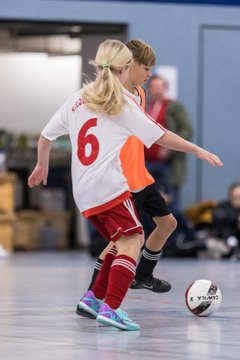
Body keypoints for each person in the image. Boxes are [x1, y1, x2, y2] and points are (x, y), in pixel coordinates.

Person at [28, 39, 223, 331]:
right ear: (125, 68)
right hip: (110, 186)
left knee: (121, 242)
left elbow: (45, 136)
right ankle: (112, 308)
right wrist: (197, 150)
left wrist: (41, 164)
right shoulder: (122, 103)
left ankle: (94, 299)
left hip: (83, 193)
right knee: (133, 240)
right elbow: (161, 136)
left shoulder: (78, 98)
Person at [77, 40, 176, 320]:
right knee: (120, 242)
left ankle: (142, 275)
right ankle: (92, 297)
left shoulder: (141, 95)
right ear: (128, 66)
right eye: (146, 68)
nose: (149, 74)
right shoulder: (111, 96)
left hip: (141, 175)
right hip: (122, 179)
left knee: (168, 223)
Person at [145, 75, 193, 211]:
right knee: (147, 204)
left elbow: (187, 130)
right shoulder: (145, 107)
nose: (158, 91)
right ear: (149, 89)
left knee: (171, 205)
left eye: (161, 87)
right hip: (147, 163)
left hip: (168, 164)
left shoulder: (174, 107)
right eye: (155, 87)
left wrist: (169, 148)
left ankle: (181, 232)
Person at [212, 182, 240, 259]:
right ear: (231, 197)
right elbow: (219, 216)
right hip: (224, 240)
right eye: (236, 197)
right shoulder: (223, 206)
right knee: (226, 226)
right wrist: (236, 218)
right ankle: (234, 249)